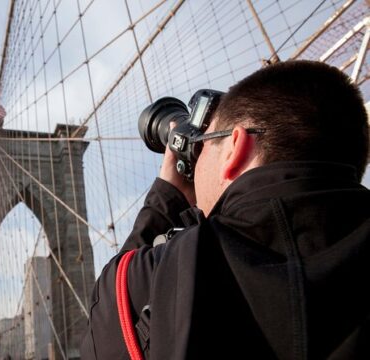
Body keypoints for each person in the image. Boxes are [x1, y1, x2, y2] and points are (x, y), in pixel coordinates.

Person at [80, 60, 370, 359]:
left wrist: (168, 196)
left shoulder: (167, 274)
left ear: (235, 148)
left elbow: (104, 328)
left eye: (204, 145)